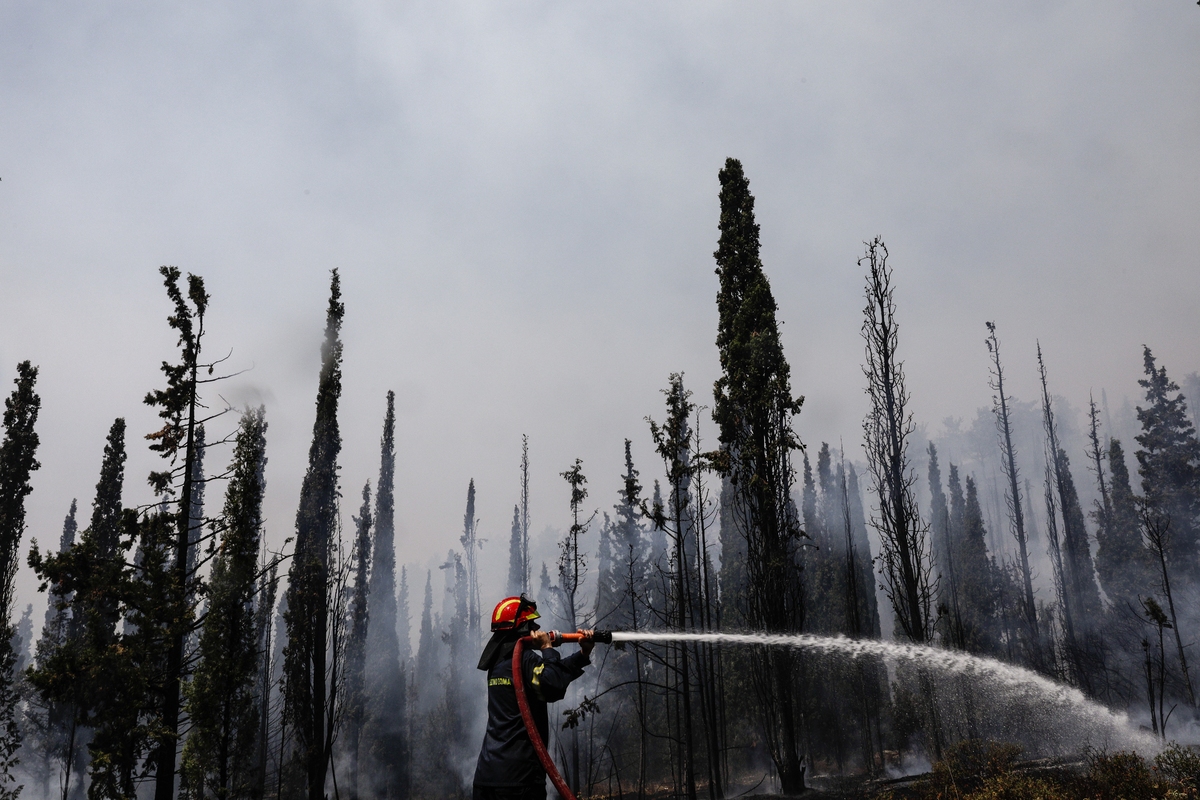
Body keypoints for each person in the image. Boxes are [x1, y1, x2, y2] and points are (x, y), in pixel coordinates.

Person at [473, 594, 594, 800]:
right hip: (519, 781)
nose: (537, 630)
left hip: (487, 778)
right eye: (532, 625)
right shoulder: (525, 659)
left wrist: (583, 655)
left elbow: (548, 675)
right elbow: (552, 685)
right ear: (522, 629)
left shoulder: (498, 663)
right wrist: (547, 648)